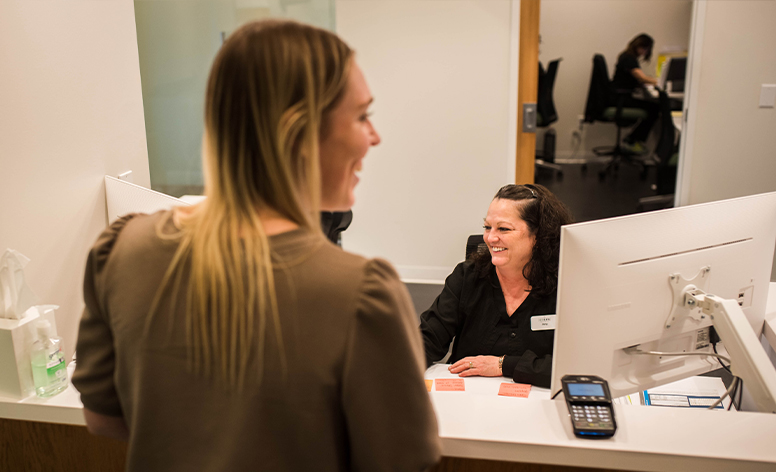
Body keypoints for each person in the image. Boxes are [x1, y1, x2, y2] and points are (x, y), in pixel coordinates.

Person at [72, 20, 440, 472]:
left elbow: (102, 418)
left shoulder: (122, 248)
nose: (374, 136)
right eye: (363, 115)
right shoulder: (360, 294)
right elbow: (400, 461)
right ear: (299, 133)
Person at [420, 184, 573, 388]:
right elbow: (427, 340)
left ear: (538, 236)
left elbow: (576, 367)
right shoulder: (468, 276)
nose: (490, 238)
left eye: (503, 229)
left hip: (537, 404)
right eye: (487, 227)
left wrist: (503, 365)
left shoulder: (566, 285)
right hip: (468, 402)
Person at [611, 33, 660, 153]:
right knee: (654, 108)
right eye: (644, 48)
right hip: (621, 99)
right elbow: (642, 78)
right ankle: (632, 140)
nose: (644, 52)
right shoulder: (629, 59)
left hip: (619, 97)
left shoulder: (627, 57)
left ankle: (632, 139)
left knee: (652, 107)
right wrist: (659, 82)